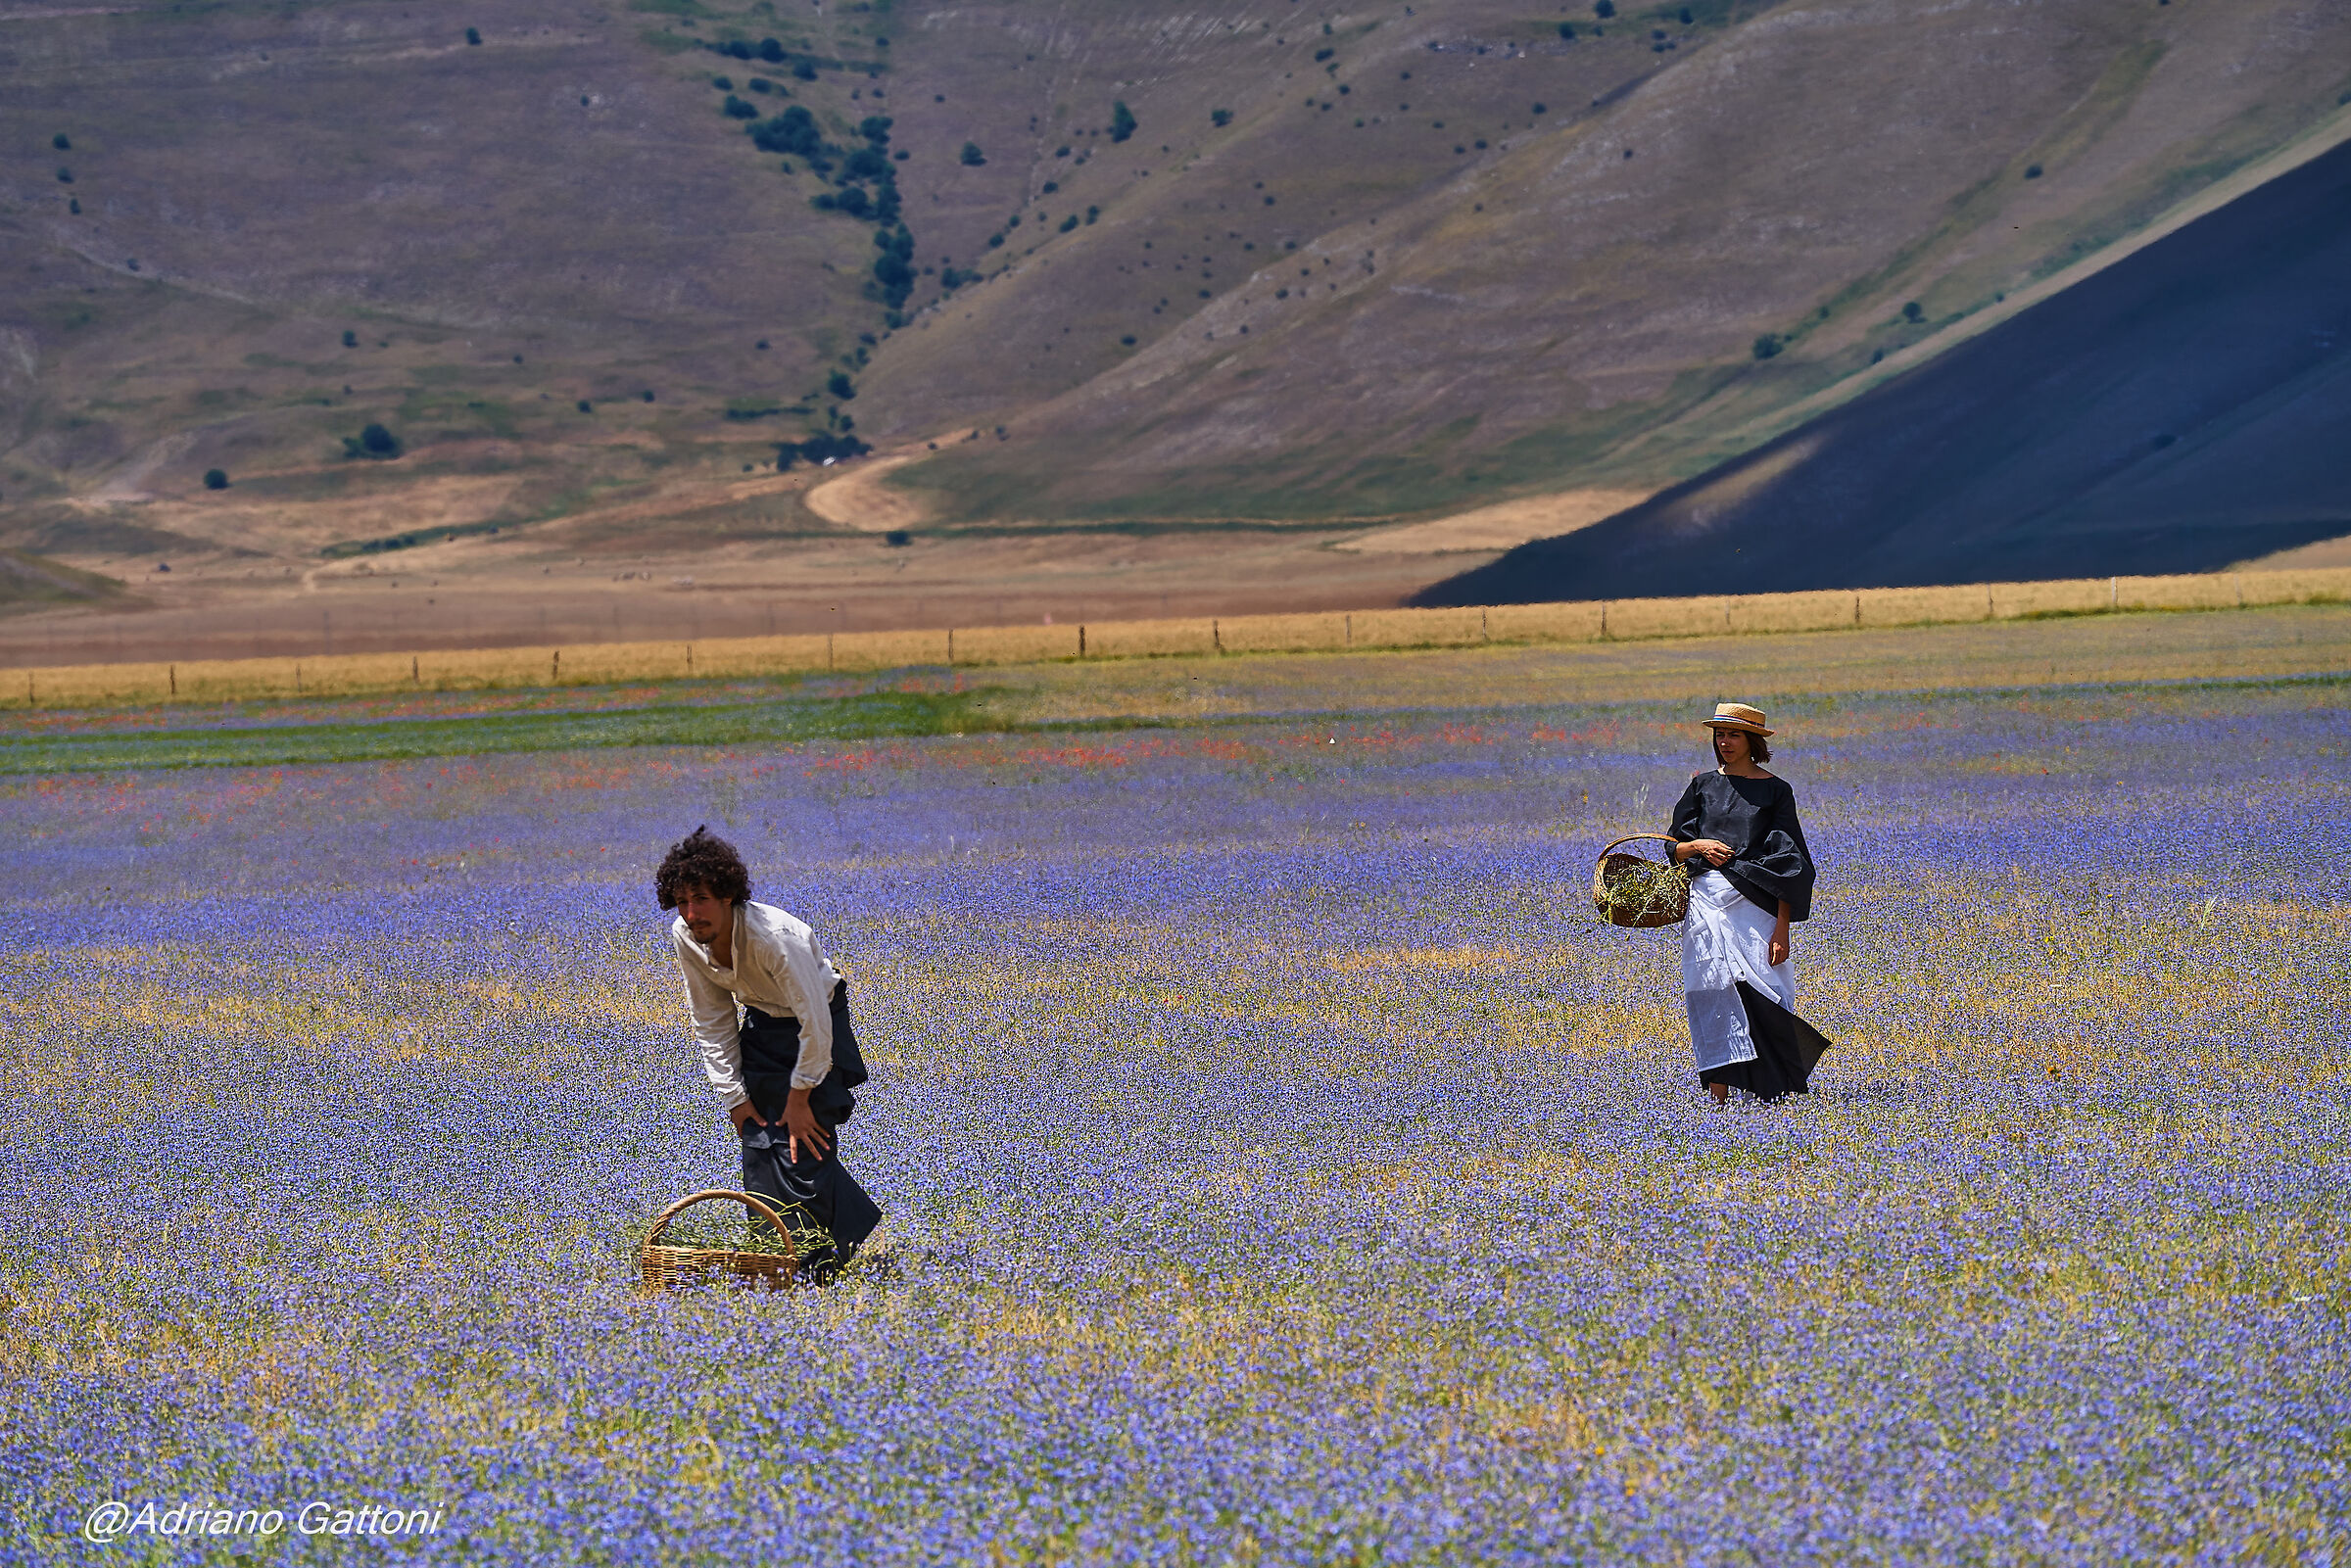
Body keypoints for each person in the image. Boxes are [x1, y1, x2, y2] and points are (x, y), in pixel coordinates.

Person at [657, 826, 881, 1276]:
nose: (691, 912)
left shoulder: (775, 938)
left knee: (803, 1143)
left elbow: (816, 1023)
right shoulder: (686, 935)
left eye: (700, 898)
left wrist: (799, 1099)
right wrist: (735, 1096)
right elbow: (711, 1016)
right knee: (760, 1144)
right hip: (762, 1024)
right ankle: (774, 1264)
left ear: (727, 895)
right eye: (682, 901)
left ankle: (818, 1266)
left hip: (817, 1024)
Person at [1667, 703, 1832, 1103]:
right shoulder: (1702, 786)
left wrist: (1783, 928)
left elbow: (1791, 865)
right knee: (1709, 989)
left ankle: (1773, 1088)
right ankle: (1718, 1097)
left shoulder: (1776, 791)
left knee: (1765, 990)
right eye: (1720, 734)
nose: (1725, 742)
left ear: (1752, 740)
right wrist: (1697, 845)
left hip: (1754, 906)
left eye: (1734, 735)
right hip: (1704, 902)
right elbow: (1673, 847)